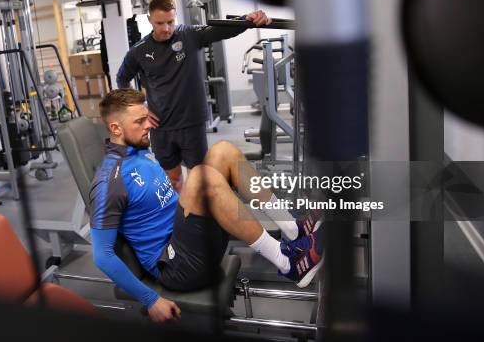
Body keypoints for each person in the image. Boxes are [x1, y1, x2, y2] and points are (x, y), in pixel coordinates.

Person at [90, 89, 323, 323]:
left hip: (189, 240)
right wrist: (151, 300)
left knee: (223, 151)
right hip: (176, 267)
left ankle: (293, 229)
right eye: (139, 121)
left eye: (146, 118)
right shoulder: (108, 183)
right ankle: (288, 263)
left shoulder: (138, 153)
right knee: (204, 177)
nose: (148, 125)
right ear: (116, 128)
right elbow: (102, 256)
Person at [116, 0, 271, 193]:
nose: (165, 29)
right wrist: (139, 109)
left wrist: (249, 20)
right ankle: (179, 219)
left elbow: (220, 30)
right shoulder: (138, 51)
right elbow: (122, 78)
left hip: (192, 123)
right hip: (161, 127)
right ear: (149, 20)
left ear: (176, 17)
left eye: (170, 22)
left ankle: (197, 219)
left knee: (198, 179)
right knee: (172, 179)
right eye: (159, 23)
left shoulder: (188, 36)